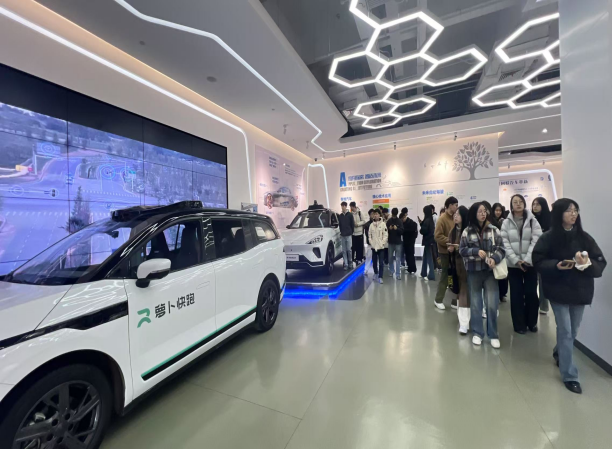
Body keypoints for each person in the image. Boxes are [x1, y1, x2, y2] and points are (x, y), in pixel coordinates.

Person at [532, 198, 606, 394]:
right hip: (557, 290)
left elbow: (600, 262)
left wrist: (587, 264)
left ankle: (559, 352)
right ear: (559, 214)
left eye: (575, 210)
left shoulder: (585, 238)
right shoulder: (548, 237)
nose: (573, 214)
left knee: (572, 331)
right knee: (565, 331)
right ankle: (570, 375)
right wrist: (556, 265)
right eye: (569, 210)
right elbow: (538, 260)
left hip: (580, 291)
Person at [459, 202, 506, 348]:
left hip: (490, 272)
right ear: (474, 213)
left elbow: (502, 249)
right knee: (476, 304)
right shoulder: (467, 231)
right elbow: (462, 250)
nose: (483, 214)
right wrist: (475, 251)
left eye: (484, 211)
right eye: (480, 211)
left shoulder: (494, 230)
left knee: (492, 304)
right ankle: (478, 333)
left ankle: (493, 335)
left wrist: (494, 259)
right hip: (473, 271)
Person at [501, 194, 542, 334]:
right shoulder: (506, 223)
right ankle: (519, 325)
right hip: (513, 265)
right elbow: (504, 243)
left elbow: (537, 240)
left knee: (531, 293)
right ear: (511, 205)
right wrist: (515, 260)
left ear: (524, 203)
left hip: (530, 265)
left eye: (520, 201)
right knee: (516, 295)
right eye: (515, 202)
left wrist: (527, 259)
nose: (518, 204)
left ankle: (532, 322)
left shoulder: (533, 221)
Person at [433, 196, 459, 310]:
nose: (457, 207)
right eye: (455, 205)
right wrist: (450, 241)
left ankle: (455, 301)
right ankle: (438, 299)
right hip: (444, 253)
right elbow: (437, 236)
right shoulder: (442, 219)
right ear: (450, 205)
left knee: (455, 277)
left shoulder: (455, 218)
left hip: (455, 252)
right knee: (445, 276)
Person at [449, 206, 470, 334]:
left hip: (467, 266)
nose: (455, 216)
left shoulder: (469, 231)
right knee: (459, 292)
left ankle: (464, 323)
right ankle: (463, 320)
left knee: (464, 292)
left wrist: (459, 248)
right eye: (455, 214)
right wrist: (451, 248)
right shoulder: (453, 231)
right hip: (456, 265)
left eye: (458, 214)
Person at [532, 197, 552, 315]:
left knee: (543, 281)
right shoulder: (530, 219)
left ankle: (544, 305)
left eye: (538, 204)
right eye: (533, 204)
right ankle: (533, 304)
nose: (535, 206)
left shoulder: (550, 219)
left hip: (545, 255)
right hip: (531, 253)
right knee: (532, 281)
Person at [492, 202, 509, 302]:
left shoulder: (505, 221)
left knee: (503, 271)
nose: (498, 212)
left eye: (499, 210)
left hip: (503, 249)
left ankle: (502, 293)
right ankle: (497, 294)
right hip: (494, 249)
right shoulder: (491, 221)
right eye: (496, 210)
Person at [368, 209, 389, 284]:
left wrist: (382, 243)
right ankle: (376, 273)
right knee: (374, 262)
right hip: (374, 247)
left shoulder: (383, 224)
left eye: (377, 214)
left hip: (381, 247)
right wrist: (371, 242)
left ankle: (380, 277)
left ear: (379, 215)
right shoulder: (371, 225)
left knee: (381, 263)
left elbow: (385, 235)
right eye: (374, 214)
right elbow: (369, 235)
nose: (375, 215)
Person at [387, 207, 404, 280]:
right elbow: (385, 231)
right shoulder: (389, 221)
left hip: (398, 242)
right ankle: (391, 271)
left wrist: (397, 229)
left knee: (397, 258)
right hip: (391, 241)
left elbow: (402, 231)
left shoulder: (399, 221)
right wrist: (389, 229)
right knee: (390, 257)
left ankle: (397, 274)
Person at [419, 205, 436, 281]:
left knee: (429, 258)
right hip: (430, 240)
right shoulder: (430, 220)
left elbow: (423, 231)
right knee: (425, 257)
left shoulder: (427, 220)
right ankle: (423, 273)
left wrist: (421, 229)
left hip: (427, 241)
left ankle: (431, 275)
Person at [338, 202, 355, 270]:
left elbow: (352, 224)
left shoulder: (350, 215)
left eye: (343, 206)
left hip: (348, 235)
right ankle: (346, 263)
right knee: (344, 251)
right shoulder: (340, 216)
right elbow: (340, 225)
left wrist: (351, 232)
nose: (342, 207)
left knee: (349, 250)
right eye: (341, 206)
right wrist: (341, 232)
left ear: (345, 206)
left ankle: (350, 262)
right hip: (342, 235)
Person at [401, 207, 418, 274]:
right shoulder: (403, 223)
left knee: (411, 255)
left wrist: (413, 238)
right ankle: (409, 268)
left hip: (410, 241)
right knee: (407, 255)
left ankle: (413, 269)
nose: (402, 220)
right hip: (406, 241)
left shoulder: (411, 222)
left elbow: (414, 230)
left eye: (402, 219)